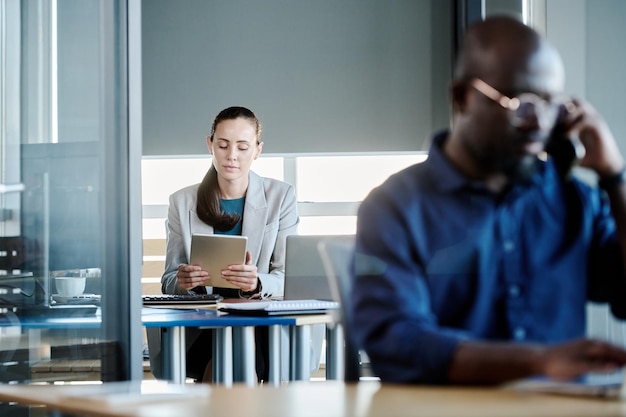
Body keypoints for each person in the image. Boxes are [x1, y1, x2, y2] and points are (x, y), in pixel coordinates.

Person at [350, 15, 626, 385]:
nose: (537, 122)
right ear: (461, 97)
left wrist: (615, 178)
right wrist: (538, 360)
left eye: (548, 103)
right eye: (518, 101)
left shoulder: (577, 201)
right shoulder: (394, 208)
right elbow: (396, 343)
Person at [161, 106, 299, 382]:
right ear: (210, 144)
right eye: (223, 145)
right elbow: (168, 281)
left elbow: (288, 277)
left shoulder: (281, 197)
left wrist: (257, 283)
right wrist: (184, 281)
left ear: (258, 150)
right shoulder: (182, 202)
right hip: (203, 325)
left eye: (243, 147)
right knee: (233, 344)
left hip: (262, 325)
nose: (231, 156)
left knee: (239, 340)